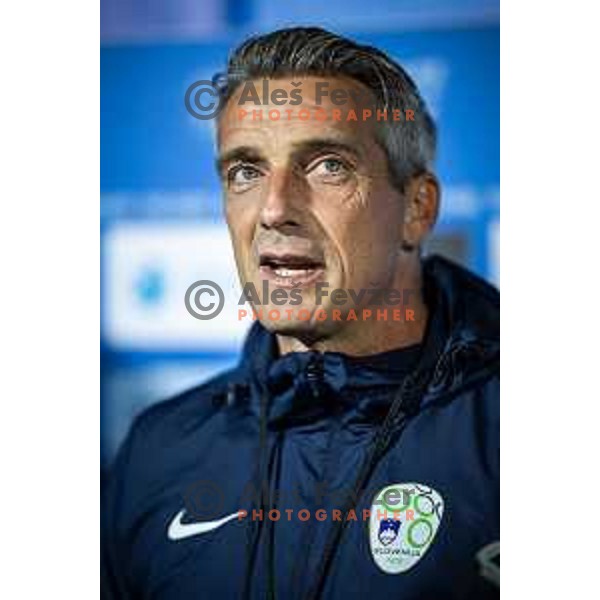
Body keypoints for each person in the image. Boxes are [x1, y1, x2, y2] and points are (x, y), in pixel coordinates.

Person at [102, 27, 499, 599]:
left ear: (416, 209)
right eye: (245, 171)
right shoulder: (160, 447)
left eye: (328, 165)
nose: (275, 208)